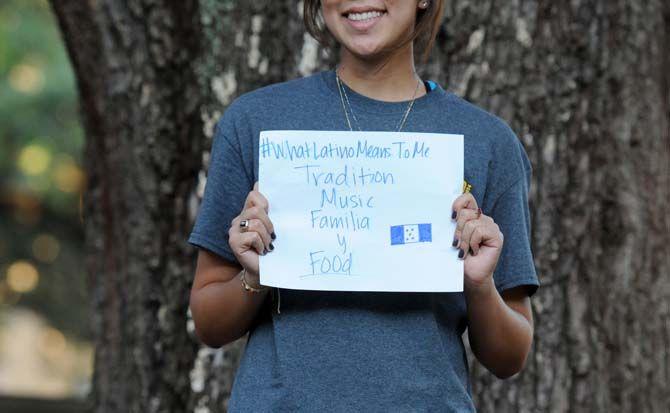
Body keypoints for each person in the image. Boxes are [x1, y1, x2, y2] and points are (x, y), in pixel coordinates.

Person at [187, 0, 540, 411]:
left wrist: (480, 288)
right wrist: (257, 275)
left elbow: (510, 356)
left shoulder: (488, 143)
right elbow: (209, 323)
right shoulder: (254, 122)